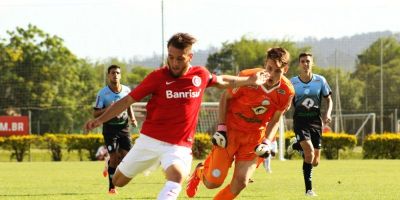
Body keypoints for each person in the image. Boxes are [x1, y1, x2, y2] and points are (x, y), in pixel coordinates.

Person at [84, 32, 267, 200]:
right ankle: (122, 165)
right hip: (149, 140)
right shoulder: (157, 77)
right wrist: (99, 120)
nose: (174, 62)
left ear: (190, 57)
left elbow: (223, 81)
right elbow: (126, 101)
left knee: (177, 177)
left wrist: (250, 80)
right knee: (118, 181)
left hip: (178, 145)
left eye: (180, 58)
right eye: (171, 57)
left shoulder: (200, 75)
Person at [186, 47, 294, 200]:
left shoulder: (287, 91)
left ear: (286, 69)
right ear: (265, 64)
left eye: (277, 71)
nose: (271, 74)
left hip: (253, 138)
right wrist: (221, 128)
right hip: (231, 132)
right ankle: (199, 171)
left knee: (241, 182)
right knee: (213, 182)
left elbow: (276, 119)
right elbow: (225, 98)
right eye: (269, 68)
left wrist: (267, 141)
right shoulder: (248, 77)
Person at [287, 52, 333, 196]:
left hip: (315, 122)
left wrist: (328, 113)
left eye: (308, 61)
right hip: (300, 121)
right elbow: (287, 101)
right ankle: (309, 190)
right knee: (309, 153)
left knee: (315, 161)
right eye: (302, 61)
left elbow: (329, 100)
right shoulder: (292, 82)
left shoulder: (320, 80)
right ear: (299, 64)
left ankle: (296, 145)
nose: (305, 63)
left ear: (312, 63)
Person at [93, 64, 137, 194]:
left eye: (117, 73)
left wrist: (132, 118)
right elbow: (95, 113)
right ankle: (112, 188)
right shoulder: (103, 93)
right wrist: (109, 109)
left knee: (127, 158)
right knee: (114, 158)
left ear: (120, 75)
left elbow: (129, 106)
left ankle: (109, 165)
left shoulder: (126, 90)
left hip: (124, 128)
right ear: (108, 75)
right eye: (112, 73)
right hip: (110, 129)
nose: (115, 75)